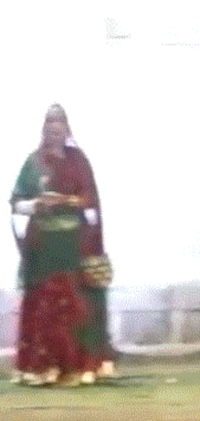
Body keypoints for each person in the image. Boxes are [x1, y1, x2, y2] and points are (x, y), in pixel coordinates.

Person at [8, 105, 115, 386]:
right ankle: (41, 367)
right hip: (43, 248)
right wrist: (36, 204)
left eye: (59, 130)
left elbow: (89, 200)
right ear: (44, 131)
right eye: (50, 130)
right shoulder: (33, 164)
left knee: (74, 304)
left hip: (73, 246)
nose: (55, 135)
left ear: (67, 131)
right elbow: (16, 202)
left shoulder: (78, 162)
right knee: (43, 304)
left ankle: (76, 366)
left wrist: (68, 201)